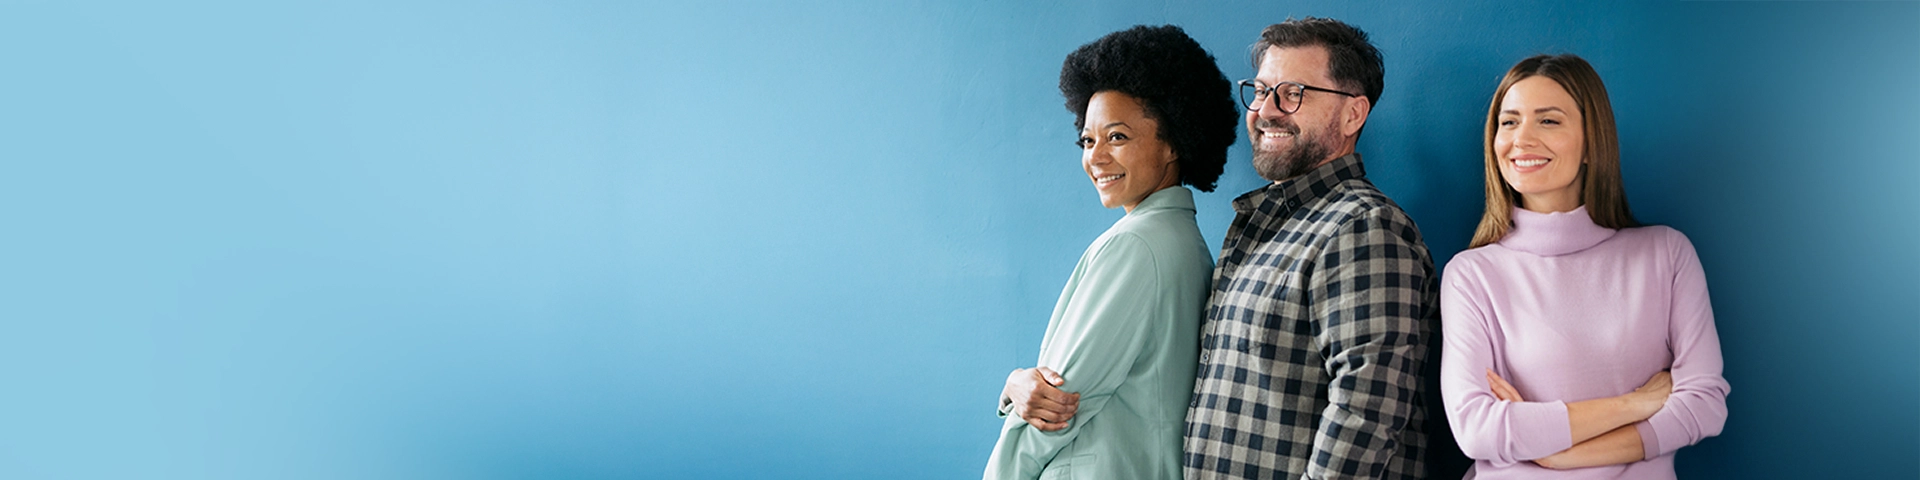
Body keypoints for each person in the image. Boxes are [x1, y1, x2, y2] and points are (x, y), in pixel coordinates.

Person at [1438, 54, 1730, 479]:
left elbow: (1704, 404)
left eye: (1549, 121)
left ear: (1592, 142)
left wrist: (1560, 454)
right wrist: (1635, 404)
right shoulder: (1472, 274)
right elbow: (1477, 430)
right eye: (1509, 122)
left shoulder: (1666, 254)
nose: (1521, 139)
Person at [1183, 18, 1443, 480]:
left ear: (1353, 114)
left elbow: (1367, 411)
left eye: (1293, 93)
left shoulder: (1365, 228)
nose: (1267, 110)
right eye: (1261, 91)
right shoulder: (1271, 226)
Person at [983, 25, 1239, 480]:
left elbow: (1057, 406)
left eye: (1117, 137)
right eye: (1087, 140)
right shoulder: (1185, 244)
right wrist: (1016, 385)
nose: (1095, 157)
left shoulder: (1135, 246)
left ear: (1174, 141)